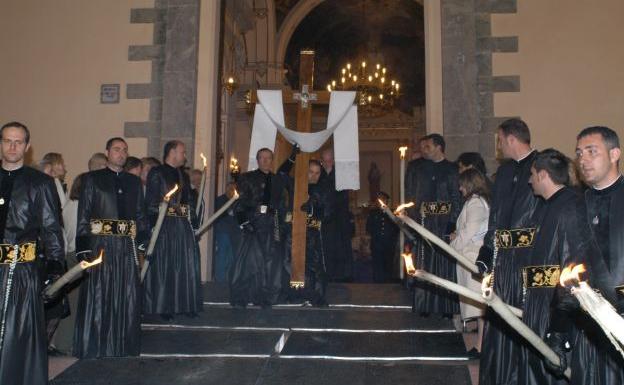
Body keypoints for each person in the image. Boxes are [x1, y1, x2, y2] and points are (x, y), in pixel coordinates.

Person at [546, 126, 624, 385]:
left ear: (615, 154)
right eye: (579, 153)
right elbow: (568, 271)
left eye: (592, 151)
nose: (583, 159)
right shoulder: (575, 209)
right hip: (590, 335)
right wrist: (557, 331)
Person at [0, 121, 65, 385]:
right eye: (7, 140)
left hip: (21, 273)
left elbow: (51, 228)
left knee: (18, 335)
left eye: (18, 142)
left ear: (27, 147)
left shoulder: (40, 183)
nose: (12, 146)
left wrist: (55, 265)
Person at [519, 149, 592, 385]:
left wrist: (560, 328)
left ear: (542, 175)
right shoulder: (547, 206)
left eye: (532, 174)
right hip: (539, 304)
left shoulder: (571, 208)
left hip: (553, 308)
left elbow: (573, 267)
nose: (529, 180)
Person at [476, 118, 540, 385]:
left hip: (528, 261)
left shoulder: (542, 167)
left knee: (523, 319)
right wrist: (487, 250)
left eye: (500, 140)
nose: (499, 146)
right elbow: (496, 216)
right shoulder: (502, 173)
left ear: (511, 138)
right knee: (500, 320)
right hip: (502, 262)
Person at [73, 137, 147, 358]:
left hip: (126, 248)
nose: (121, 154)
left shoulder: (134, 183)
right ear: (107, 152)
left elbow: (141, 216)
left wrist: (143, 239)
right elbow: (83, 216)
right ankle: (96, 346)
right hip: (100, 247)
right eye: (117, 149)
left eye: (125, 150)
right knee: (99, 293)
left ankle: (124, 345)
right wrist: (83, 249)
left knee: (127, 294)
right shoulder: (91, 179)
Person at [143, 140, 202, 320]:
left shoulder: (182, 175)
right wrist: (154, 226)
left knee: (185, 264)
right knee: (165, 265)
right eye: (183, 152)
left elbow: (188, 201)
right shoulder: (157, 172)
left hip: (182, 226)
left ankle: (185, 304)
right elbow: (152, 201)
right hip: (165, 225)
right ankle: (164, 306)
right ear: (172, 152)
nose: (185, 156)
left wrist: (193, 218)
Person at [230, 147, 293, 308]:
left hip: (272, 225)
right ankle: (244, 296)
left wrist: (292, 156)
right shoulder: (247, 178)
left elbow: (284, 174)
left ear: (272, 161)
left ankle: (266, 297)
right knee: (250, 262)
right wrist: (245, 223)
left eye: (268, 158)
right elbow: (239, 203)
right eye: (262, 158)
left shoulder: (277, 180)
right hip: (254, 223)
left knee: (271, 262)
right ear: (257, 160)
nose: (265, 161)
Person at [410, 134, 461, 317]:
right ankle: (424, 304)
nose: (424, 150)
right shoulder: (420, 169)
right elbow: (415, 197)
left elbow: (456, 198)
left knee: (444, 265)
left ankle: (446, 307)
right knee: (425, 262)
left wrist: (452, 224)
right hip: (425, 223)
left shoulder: (452, 169)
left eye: (428, 147)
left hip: (444, 224)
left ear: (439, 147)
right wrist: (415, 218)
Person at [450, 168, 489, 358]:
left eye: (462, 184)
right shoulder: (477, 202)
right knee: (479, 307)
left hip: (473, 256)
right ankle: (481, 345)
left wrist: (452, 245)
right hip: (469, 254)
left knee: (481, 307)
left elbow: (469, 232)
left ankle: (482, 346)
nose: (459, 188)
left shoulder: (475, 204)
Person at [320, 148, 354, 282]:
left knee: (341, 246)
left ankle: (343, 274)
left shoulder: (341, 175)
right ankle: (327, 273)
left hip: (340, 218)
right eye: (325, 160)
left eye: (330, 160)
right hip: (325, 219)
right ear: (322, 161)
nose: (328, 163)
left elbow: (344, 196)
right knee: (326, 247)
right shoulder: (319, 174)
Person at [301, 159, 331, 305]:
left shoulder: (323, 190)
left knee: (317, 265)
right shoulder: (298, 187)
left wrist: (314, 203)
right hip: (297, 233)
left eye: (317, 173)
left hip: (316, 234)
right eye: (310, 172)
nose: (313, 176)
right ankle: (303, 294)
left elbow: (327, 214)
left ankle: (317, 296)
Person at [366, 191, 399, 283]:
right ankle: (378, 283)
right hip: (377, 244)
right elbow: (369, 228)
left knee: (388, 265)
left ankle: (388, 283)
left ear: (387, 201)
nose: (381, 201)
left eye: (383, 199)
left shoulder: (393, 213)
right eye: (379, 199)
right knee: (377, 266)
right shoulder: (373, 213)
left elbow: (396, 228)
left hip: (389, 244)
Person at [213, 182, 240, 283]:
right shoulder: (220, 200)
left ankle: (229, 278)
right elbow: (218, 215)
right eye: (230, 189)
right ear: (227, 189)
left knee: (231, 256)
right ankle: (220, 279)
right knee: (222, 255)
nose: (232, 191)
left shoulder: (236, 201)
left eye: (234, 189)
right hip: (223, 231)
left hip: (234, 232)